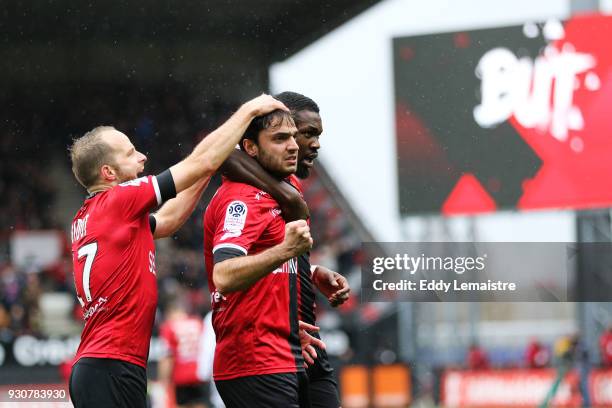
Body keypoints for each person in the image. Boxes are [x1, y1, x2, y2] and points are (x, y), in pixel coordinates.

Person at [68, 94, 286, 408]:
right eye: (131, 153)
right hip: (111, 365)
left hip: (103, 365)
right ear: (108, 174)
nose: (142, 157)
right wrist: (249, 111)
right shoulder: (120, 199)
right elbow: (200, 162)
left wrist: (211, 167)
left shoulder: (91, 216)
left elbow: (169, 219)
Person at [221, 91, 349, 407]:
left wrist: (310, 273)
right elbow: (223, 154)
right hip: (266, 353)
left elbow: (281, 257)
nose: (311, 144)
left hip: (301, 341)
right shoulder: (247, 194)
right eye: (306, 134)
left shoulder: (289, 184)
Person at [204, 108, 322, 408]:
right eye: (280, 139)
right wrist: (285, 250)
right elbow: (225, 275)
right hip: (254, 361)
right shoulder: (241, 199)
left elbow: (271, 270)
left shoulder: (283, 189)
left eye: (293, 137)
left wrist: (313, 275)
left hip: (284, 353)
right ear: (251, 148)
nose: (293, 145)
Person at [159, 301, 208, 408]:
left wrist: (163, 381)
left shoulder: (169, 327)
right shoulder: (198, 322)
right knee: (201, 404)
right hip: (200, 374)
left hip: (181, 376)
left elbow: (167, 357)